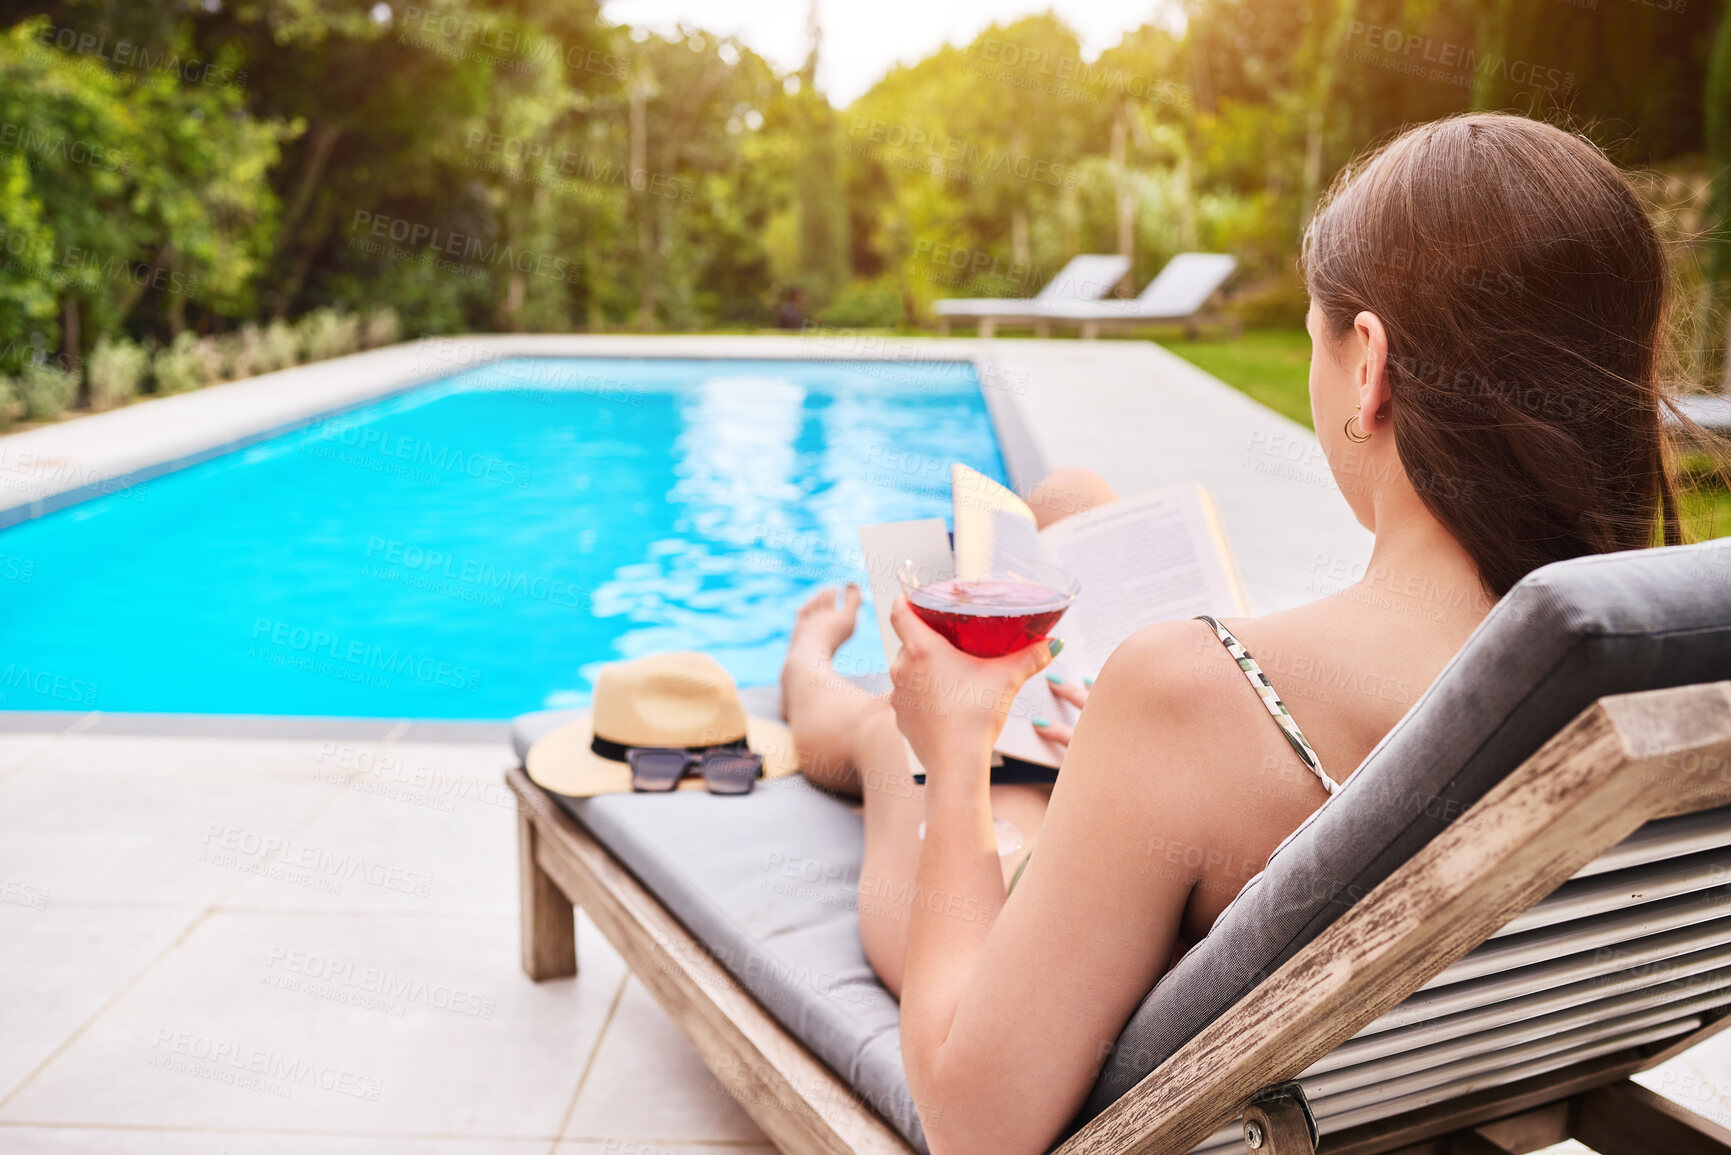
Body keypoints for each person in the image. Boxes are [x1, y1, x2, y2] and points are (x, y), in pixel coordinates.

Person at [779, 113, 1691, 1155]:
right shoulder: (1638, 655)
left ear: (1368, 369)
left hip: (1031, 940)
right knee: (1074, 496)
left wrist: (952, 751)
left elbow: (973, 1125)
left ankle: (813, 670)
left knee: (890, 739)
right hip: (1255, 865)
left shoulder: (1199, 695)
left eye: (1315, 337)